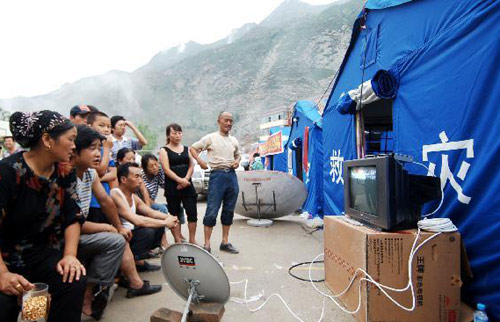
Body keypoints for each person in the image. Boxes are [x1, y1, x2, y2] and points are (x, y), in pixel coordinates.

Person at [0, 110, 86, 321]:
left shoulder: (65, 171)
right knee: (5, 303)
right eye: (71, 140)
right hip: (6, 257)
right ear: (47, 140)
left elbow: (72, 214)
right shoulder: (8, 172)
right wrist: (2, 274)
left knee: (71, 280)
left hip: (42, 253)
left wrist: (70, 256)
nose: (74, 146)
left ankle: (34, 316)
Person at [72, 125, 128, 320]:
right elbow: (71, 223)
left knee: (119, 237)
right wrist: (108, 227)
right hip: (63, 238)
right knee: (114, 241)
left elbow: (105, 201)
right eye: (93, 148)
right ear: (75, 150)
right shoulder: (66, 177)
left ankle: (90, 293)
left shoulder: (90, 173)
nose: (98, 154)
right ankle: (87, 295)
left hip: (78, 233)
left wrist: (119, 226)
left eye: (100, 148)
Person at [111, 163, 178, 271]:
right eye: (137, 176)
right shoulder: (115, 193)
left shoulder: (133, 196)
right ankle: (133, 263)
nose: (140, 180)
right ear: (124, 179)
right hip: (122, 234)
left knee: (157, 226)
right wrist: (165, 223)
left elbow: (151, 212)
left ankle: (137, 261)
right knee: (149, 231)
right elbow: (136, 220)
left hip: (132, 233)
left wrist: (169, 217)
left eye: (141, 177)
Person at [190, 112, 240, 254]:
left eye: (231, 121)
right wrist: (200, 161)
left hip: (231, 175)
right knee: (212, 210)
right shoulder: (210, 138)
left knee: (229, 209)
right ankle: (207, 244)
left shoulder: (233, 140)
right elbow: (193, 148)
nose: (229, 123)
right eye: (226, 120)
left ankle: (225, 242)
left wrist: (237, 161)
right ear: (219, 121)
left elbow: (238, 154)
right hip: (217, 175)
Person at [159, 124, 198, 244]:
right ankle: (178, 240)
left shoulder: (187, 148)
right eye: (174, 133)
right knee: (174, 214)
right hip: (173, 187)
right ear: (168, 135)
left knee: (192, 213)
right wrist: (180, 181)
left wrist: (185, 179)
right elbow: (166, 169)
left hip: (187, 185)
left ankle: (192, 240)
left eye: (179, 133)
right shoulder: (164, 150)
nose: (177, 135)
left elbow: (192, 165)